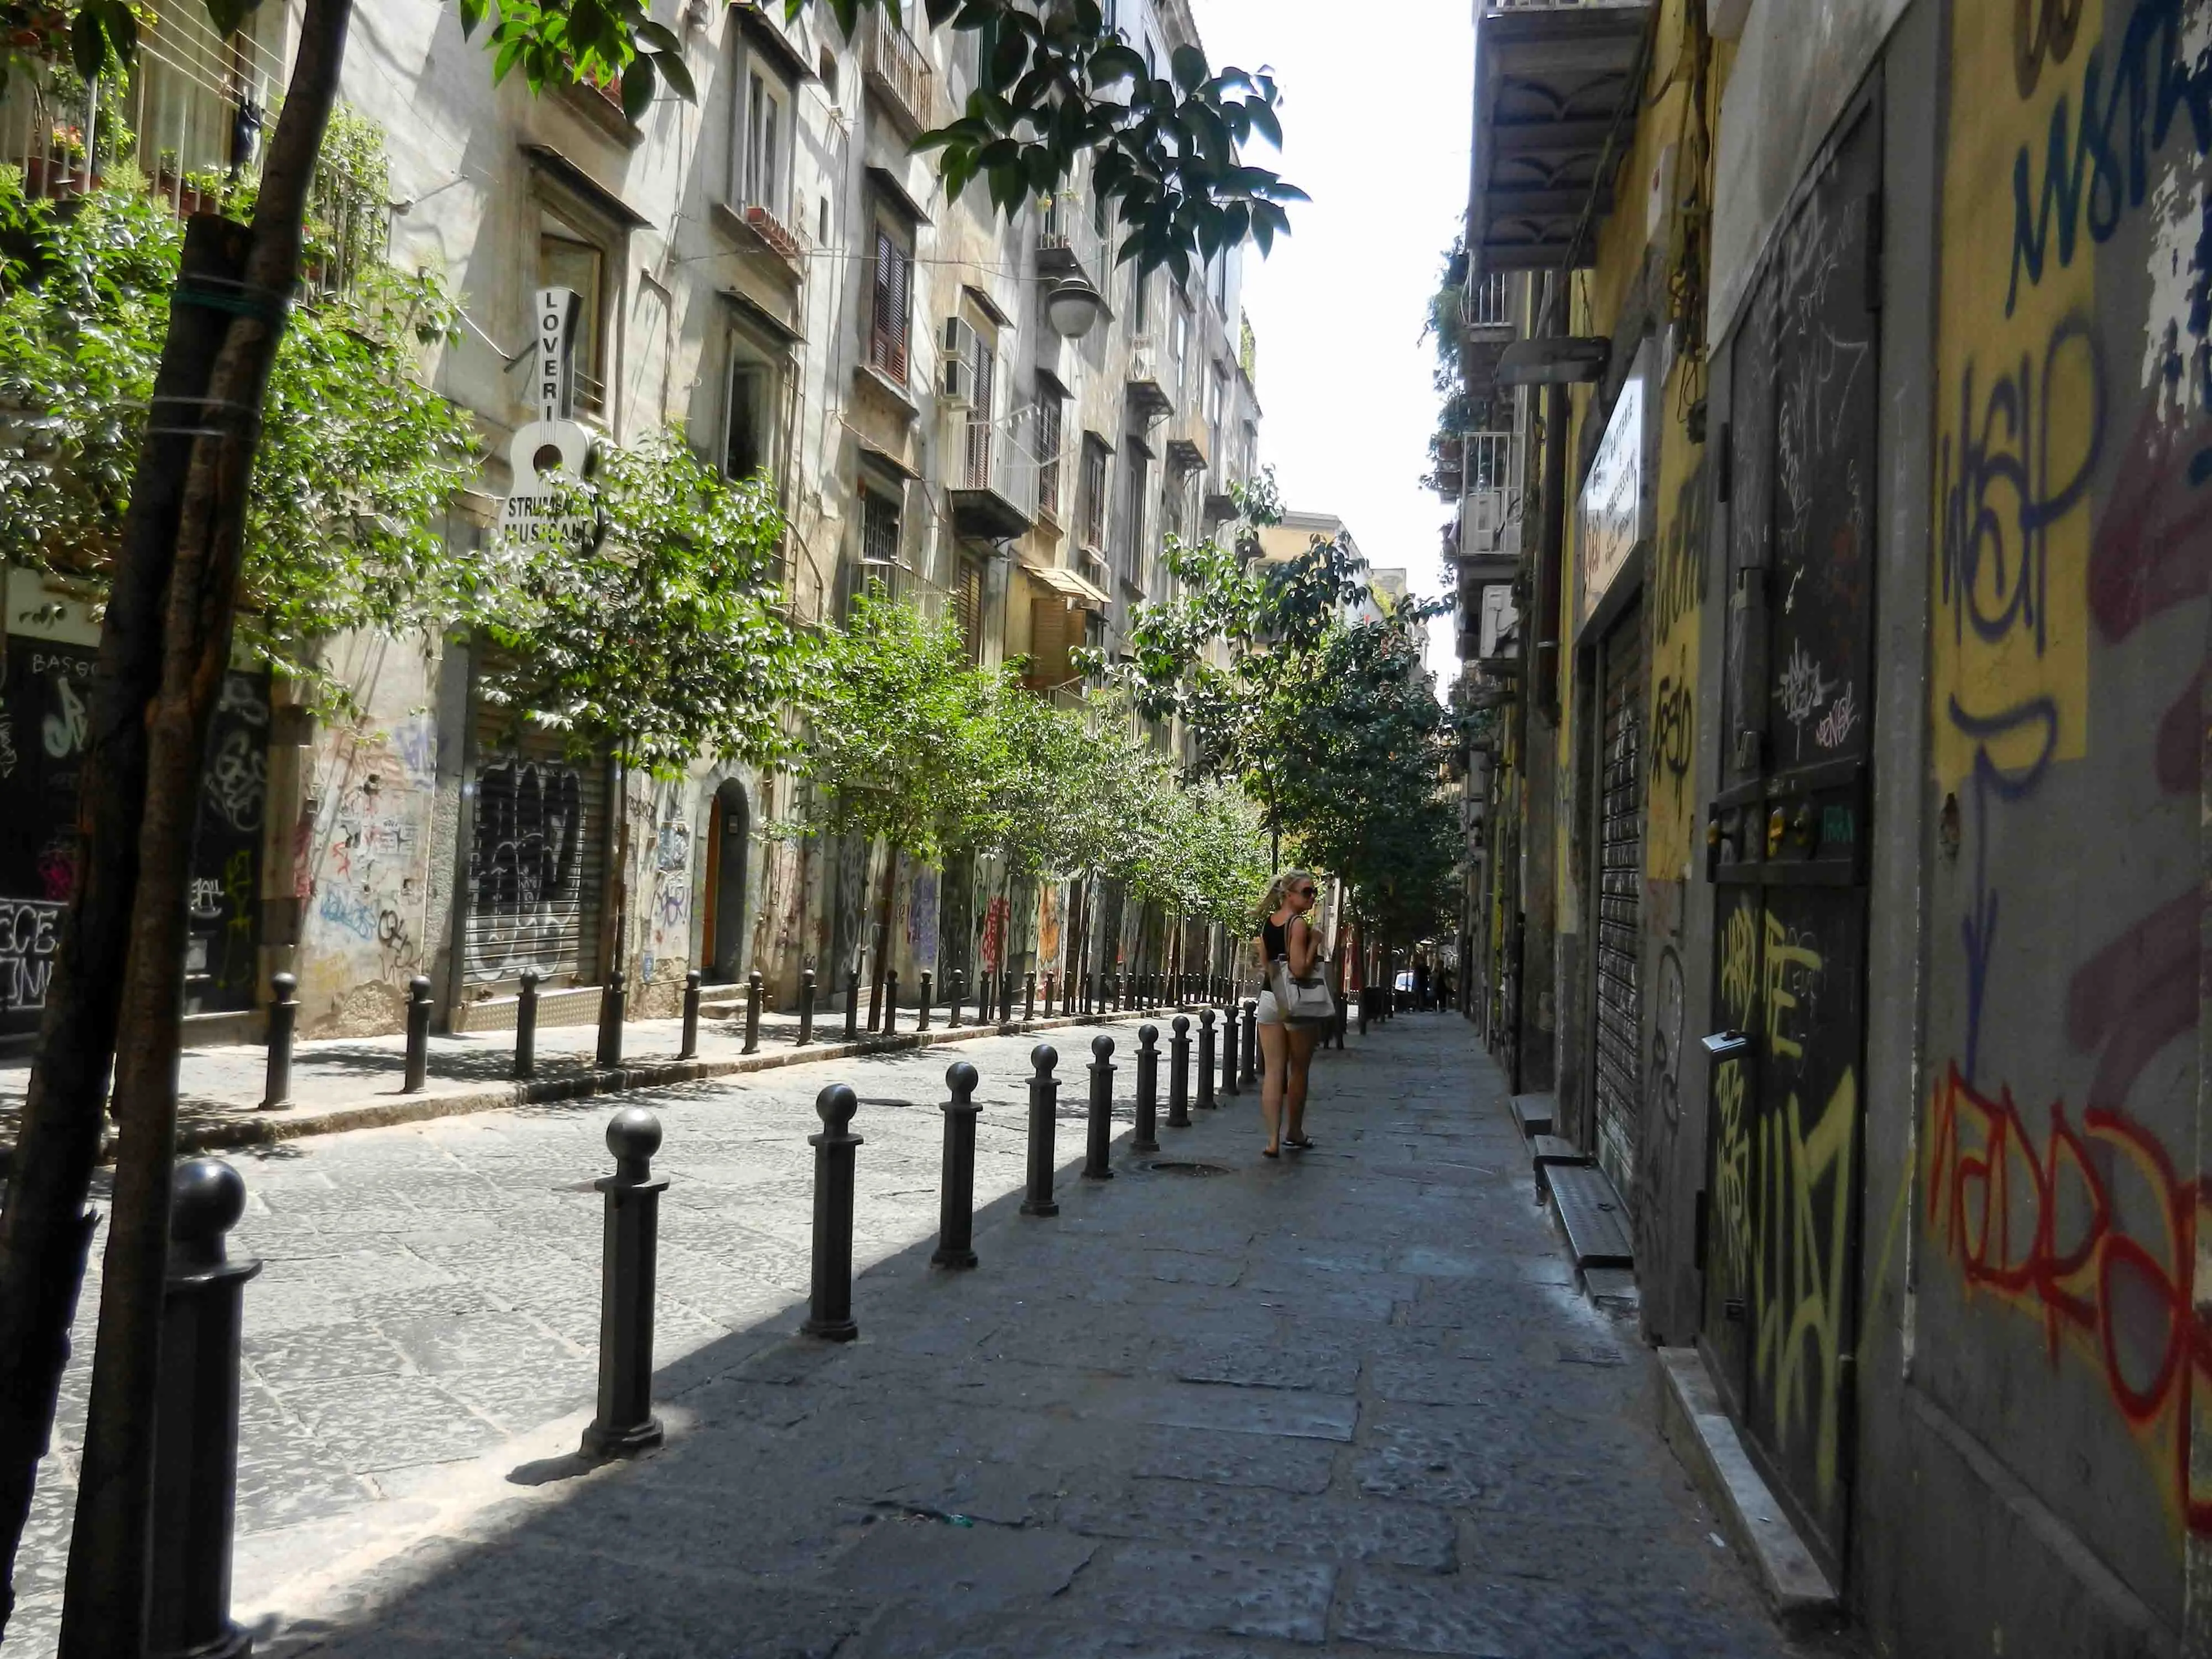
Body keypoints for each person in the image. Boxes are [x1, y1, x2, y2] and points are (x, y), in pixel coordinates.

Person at [1253, 869, 1324, 1159]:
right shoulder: (1298, 926)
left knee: (1272, 1071)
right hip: (1296, 1001)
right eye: (1307, 892)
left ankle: (1272, 1141)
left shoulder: (1269, 924)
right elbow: (1299, 969)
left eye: (1314, 892)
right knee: (1299, 1069)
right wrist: (1315, 942)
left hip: (1270, 996)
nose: (1312, 897)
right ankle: (1294, 1132)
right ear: (1290, 895)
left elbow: (1267, 965)